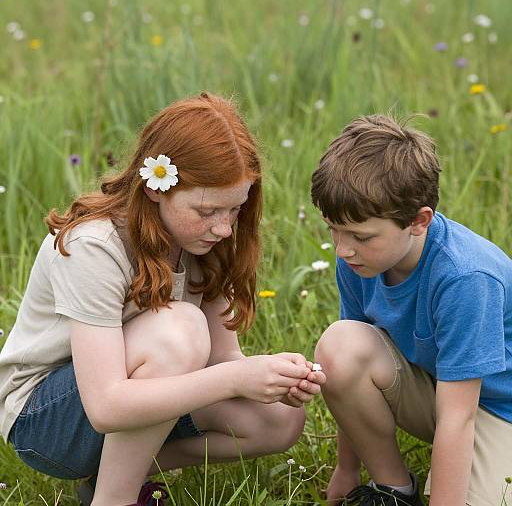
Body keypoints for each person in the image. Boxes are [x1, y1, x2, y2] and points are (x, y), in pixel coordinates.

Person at [0, 92, 326, 506]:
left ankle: (112, 475)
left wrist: (271, 378)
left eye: (235, 210)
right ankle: (113, 499)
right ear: (156, 188)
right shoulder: (94, 245)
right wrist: (235, 380)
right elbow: (104, 406)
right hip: (48, 421)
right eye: (207, 211)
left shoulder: (207, 244)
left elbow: (223, 359)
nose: (224, 228)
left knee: (279, 421)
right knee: (179, 328)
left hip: (135, 397)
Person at [310, 114, 512, 506]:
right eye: (334, 230)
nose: (342, 248)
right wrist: (347, 470)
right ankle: (394, 490)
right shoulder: (359, 259)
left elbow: (459, 417)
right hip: (444, 392)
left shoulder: (465, 278)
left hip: (500, 409)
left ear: (419, 221)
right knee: (339, 347)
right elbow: (345, 367)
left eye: (361, 236)